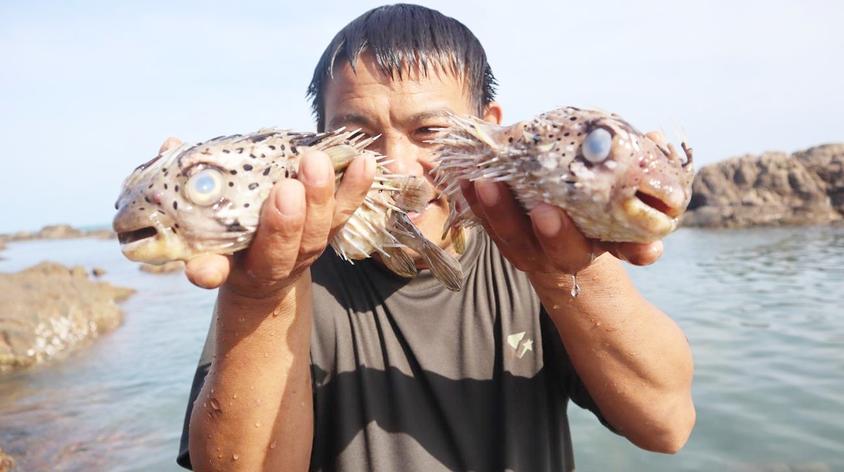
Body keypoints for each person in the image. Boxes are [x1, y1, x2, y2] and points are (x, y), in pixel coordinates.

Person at [174, 4, 695, 471]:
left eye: (429, 132)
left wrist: (568, 273)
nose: (400, 167)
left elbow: (666, 425)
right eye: (358, 136)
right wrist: (260, 297)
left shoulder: (538, 249)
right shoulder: (284, 275)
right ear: (322, 145)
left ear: (488, 126)